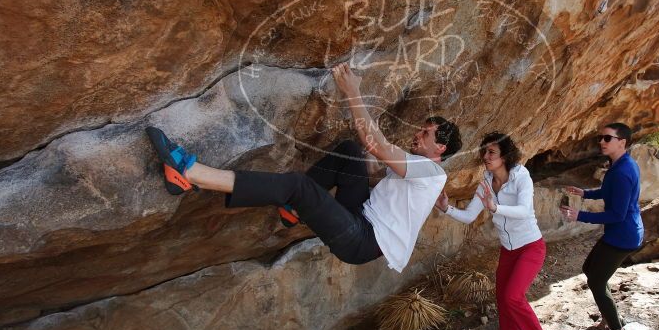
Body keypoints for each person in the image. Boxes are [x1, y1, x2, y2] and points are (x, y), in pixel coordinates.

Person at [145, 63, 462, 272]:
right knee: (350, 151)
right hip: (363, 218)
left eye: (426, 134)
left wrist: (352, 91)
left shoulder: (432, 172)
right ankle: (292, 210)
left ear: (441, 148)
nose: (417, 135)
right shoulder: (424, 172)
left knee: (299, 186)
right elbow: (373, 163)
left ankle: (189, 174)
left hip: (363, 240)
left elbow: (376, 145)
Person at [436, 133, 552, 330]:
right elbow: (469, 216)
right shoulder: (486, 182)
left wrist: (496, 207)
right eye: (484, 152)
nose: (485, 157)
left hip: (531, 246)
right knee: (502, 300)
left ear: (505, 156)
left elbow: (524, 210)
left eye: (491, 153)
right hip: (508, 250)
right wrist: (446, 208)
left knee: (512, 297)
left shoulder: (521, 176)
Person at [559, 123, 643, 330]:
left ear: (622, 142)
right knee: (590, 269)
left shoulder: (624, 171)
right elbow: (609, 192)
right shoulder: (619, 165)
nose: (601, 142)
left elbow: (617, 214)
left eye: (607, 138)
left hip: (623, 236)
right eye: (601, 138)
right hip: (619, 233)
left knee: (596, 280)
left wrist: (579, 215)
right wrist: (585, 193)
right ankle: (611, 315)